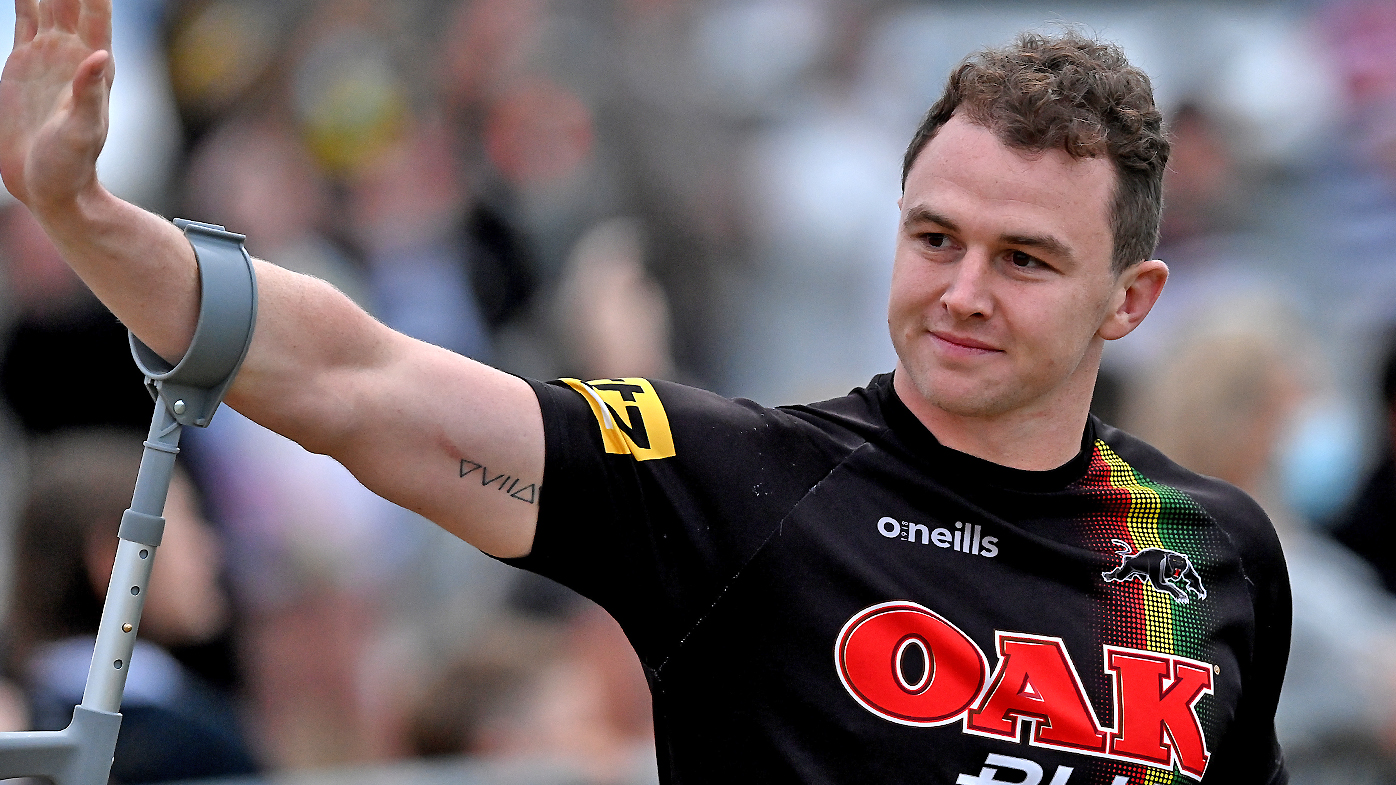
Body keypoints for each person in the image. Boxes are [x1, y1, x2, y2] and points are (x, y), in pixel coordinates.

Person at [0, 4, 1289, 783]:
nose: (960, 291)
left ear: (1130, 301)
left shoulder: (1215, 549)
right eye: (934, 237)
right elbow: (359, 378)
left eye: (1025, 260)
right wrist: (86, 216)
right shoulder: (742, 483)